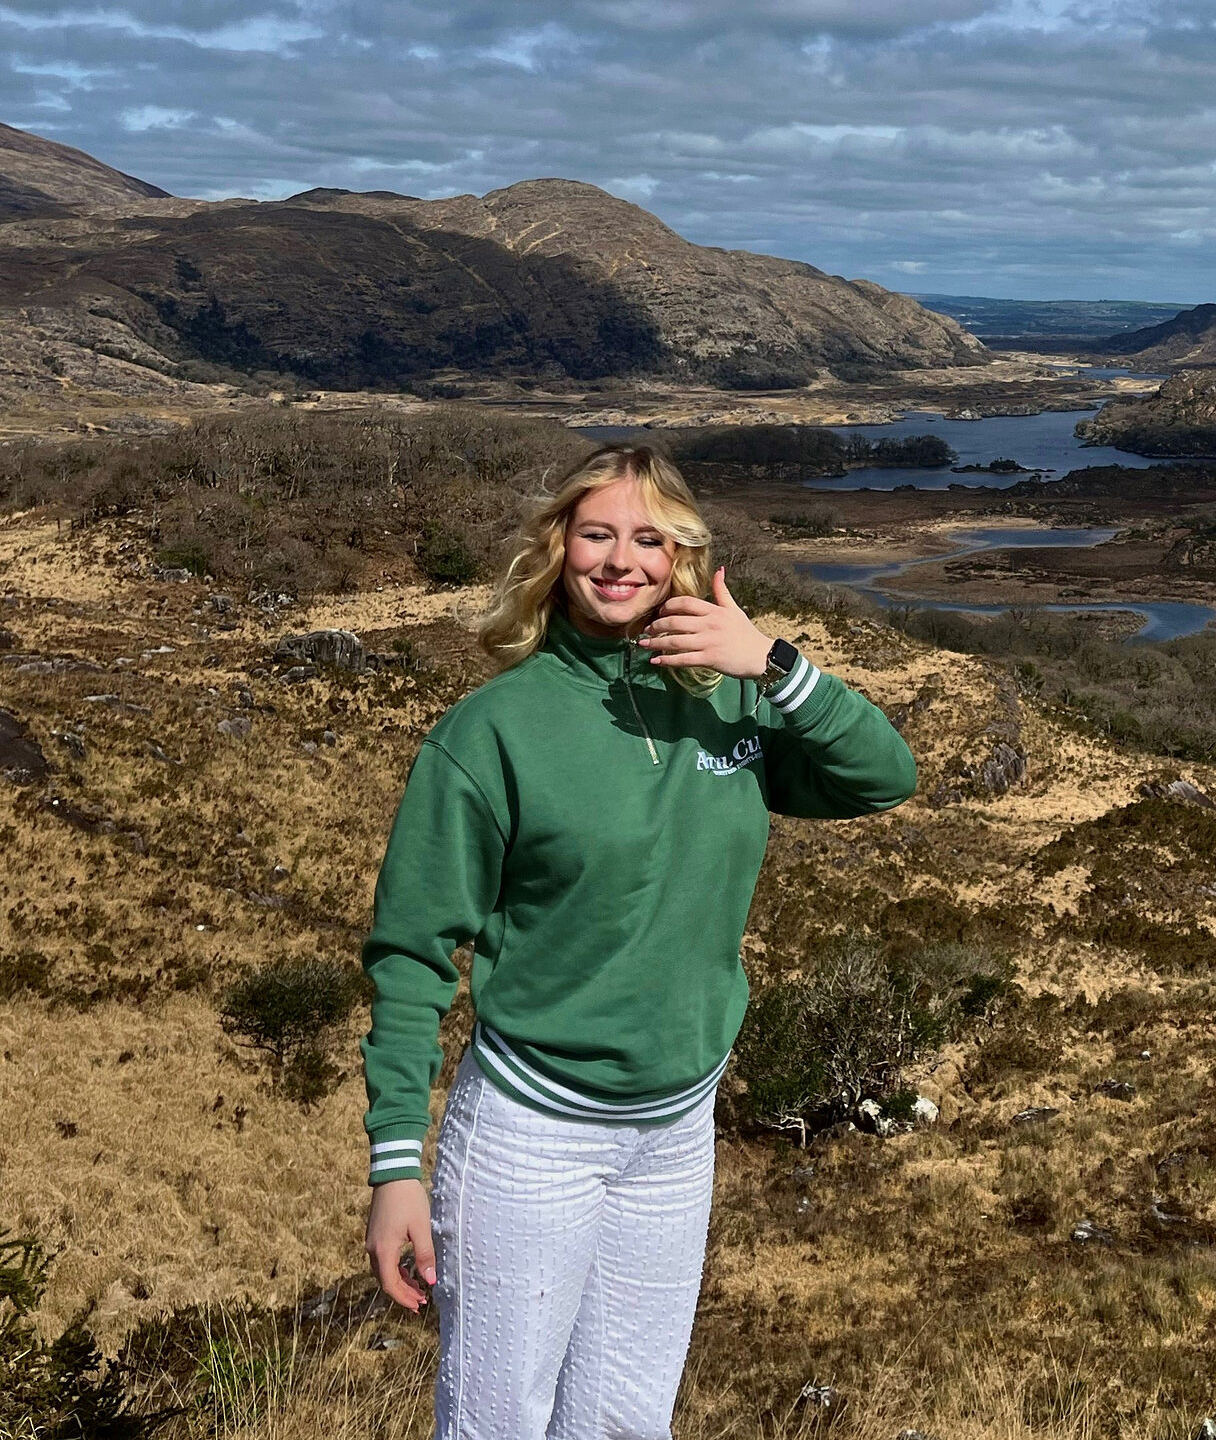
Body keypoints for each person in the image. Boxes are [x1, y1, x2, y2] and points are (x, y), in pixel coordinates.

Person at [361, 442, 916, 1440]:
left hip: (673, 1131)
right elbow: (409, 954)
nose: (621, 560)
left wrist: (771, 664)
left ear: (684, 558)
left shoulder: (729, 699)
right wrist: (395, 1166)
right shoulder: (491, 732)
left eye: (650, 539)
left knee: (623, 1423)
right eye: (597, 533)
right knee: (496, 1424)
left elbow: (883, 777)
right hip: (533, 1137)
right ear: (558, 549)